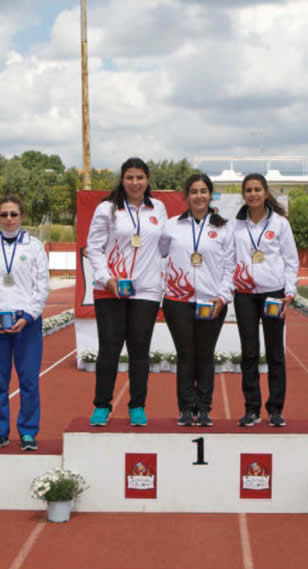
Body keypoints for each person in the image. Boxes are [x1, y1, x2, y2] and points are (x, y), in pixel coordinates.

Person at [87, 157, 168, 427]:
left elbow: (165, 247)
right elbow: (94, 248)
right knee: (109, 348)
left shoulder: (158, 208)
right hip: (111, 289)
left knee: (140, 349)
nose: (135, 183)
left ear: (147, 180)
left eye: (140, 177)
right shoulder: (107, 209)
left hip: (146, 291)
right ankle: (102, 405)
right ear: (122, 180)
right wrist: (106, 278)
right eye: (130, 177)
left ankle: (137, 406)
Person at [0, 196, 50, 451]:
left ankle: (28, 431)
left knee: (29, 380)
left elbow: (42, 285)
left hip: (26, 324)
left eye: (13, 214)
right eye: (4, 214)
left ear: (22, 216)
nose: (8, 219)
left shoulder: (34, 247)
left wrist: (28, 316)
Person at [159, 174, 234, 427]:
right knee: (185, 355)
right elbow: (160, 254)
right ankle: (185, 408)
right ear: (186, 196)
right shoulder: (171, 225)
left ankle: (203, 408)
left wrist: (222, 297)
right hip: (177, 301)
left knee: (205, 355)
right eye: (194, 191)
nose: (199, 196)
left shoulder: (224, 228)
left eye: (203, 191)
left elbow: (231, 266)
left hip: (211, 302)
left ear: (210, 195)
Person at [230, 173, 299, 428]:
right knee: (249, 353)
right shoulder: (236, 226)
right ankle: (251, 409)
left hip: (273, 294)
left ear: (266, 193)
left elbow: (291, 260)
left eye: (257, 189)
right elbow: (229, 259)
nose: (253, 194)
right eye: (248, 190)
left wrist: (289, 293)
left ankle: (276, 409)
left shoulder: (280, 224)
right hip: (245, 295)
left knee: (275, 352)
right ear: (243, 194)